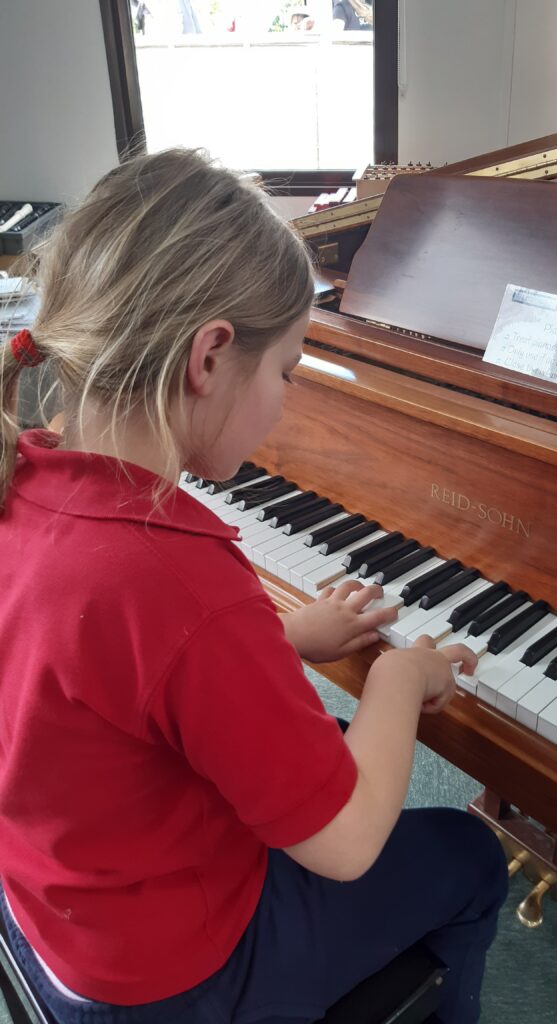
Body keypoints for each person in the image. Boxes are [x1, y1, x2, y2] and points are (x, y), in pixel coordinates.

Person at [0, 149, 508, 1024]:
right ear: (209, 357)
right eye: (288, 372)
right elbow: (346, 847)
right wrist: (395, 678)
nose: (283, 402)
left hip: (61, 902)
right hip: (177, 976)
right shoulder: (178, 581)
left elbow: (93, 680)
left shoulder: (25, 475)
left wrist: (277, 644)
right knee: (468, 853)